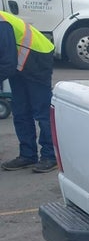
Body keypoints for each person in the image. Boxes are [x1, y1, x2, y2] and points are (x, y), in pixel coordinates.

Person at [0, 10, 56, 173]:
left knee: (41, 111)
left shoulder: (1, 24)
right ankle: (28, 155)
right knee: (20, 110)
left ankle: (50, 156)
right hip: (19, 63)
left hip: (37, 57)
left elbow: (7, 63)